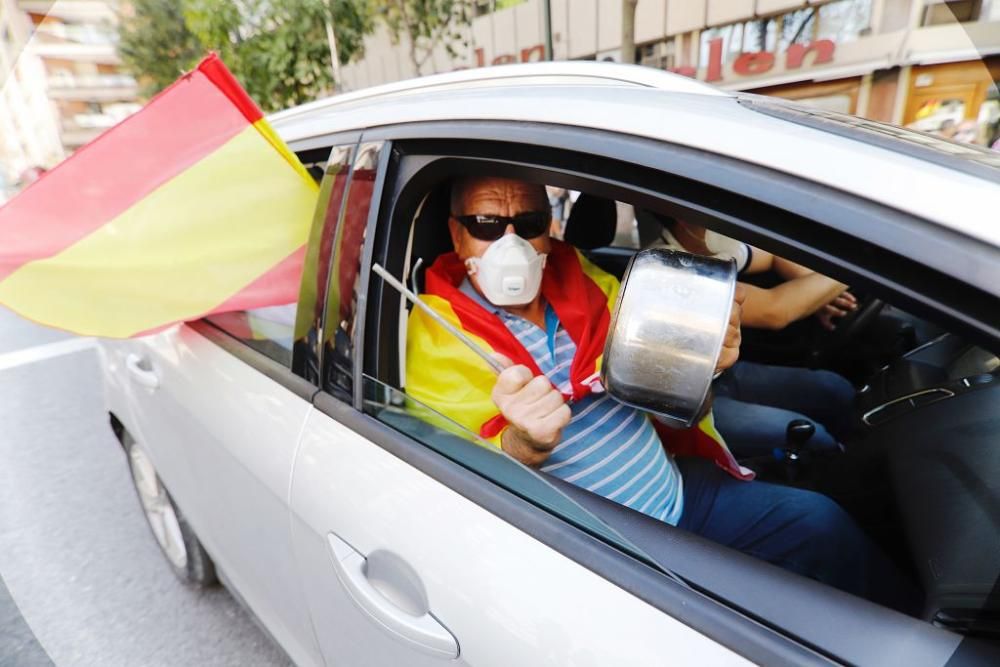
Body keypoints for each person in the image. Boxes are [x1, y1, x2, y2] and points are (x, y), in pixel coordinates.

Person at [405, 176, 917, 611]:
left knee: (819, 522)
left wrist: (701, 374)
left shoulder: (589, 281)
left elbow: (673, 413)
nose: (510, 244)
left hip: (677, 491)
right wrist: (524, 444)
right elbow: (458, 481)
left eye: (531, 224)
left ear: (549, 230)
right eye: (488, 225)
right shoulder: (436, 336)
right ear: (457, 234)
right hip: (608, 546)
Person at [647, 215, 857, 457]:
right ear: (684, 220)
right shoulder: (669, 271)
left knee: (834, 389)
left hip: (726, 372)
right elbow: (775, 311)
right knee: (812, 435)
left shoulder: (714, 245)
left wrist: (818, 295)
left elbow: (773, 257)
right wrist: (854, 269)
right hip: (694, 398)